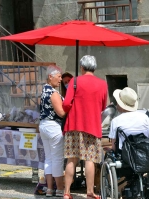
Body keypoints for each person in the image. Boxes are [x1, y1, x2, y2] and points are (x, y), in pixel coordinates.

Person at [62, 55, 107, 199]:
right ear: (94, 67)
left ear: (82, 67)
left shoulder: (74, 81)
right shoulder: (102, 84)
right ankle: (89, 192)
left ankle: (67, 192)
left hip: (74, 125)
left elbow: (66, 104)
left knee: (71, 159)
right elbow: (103, 106)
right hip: (92, 126)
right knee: (90, 160)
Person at [39, 65, 66, 197]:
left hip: (43, 125)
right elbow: (61, 113)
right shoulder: (53, 93)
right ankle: (60, 188)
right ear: (51, 76)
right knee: (57, 159)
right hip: (53, 126)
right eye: (59, 76)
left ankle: (49, 189)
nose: (60, 79)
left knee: (49, 158)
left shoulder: (44, 90)